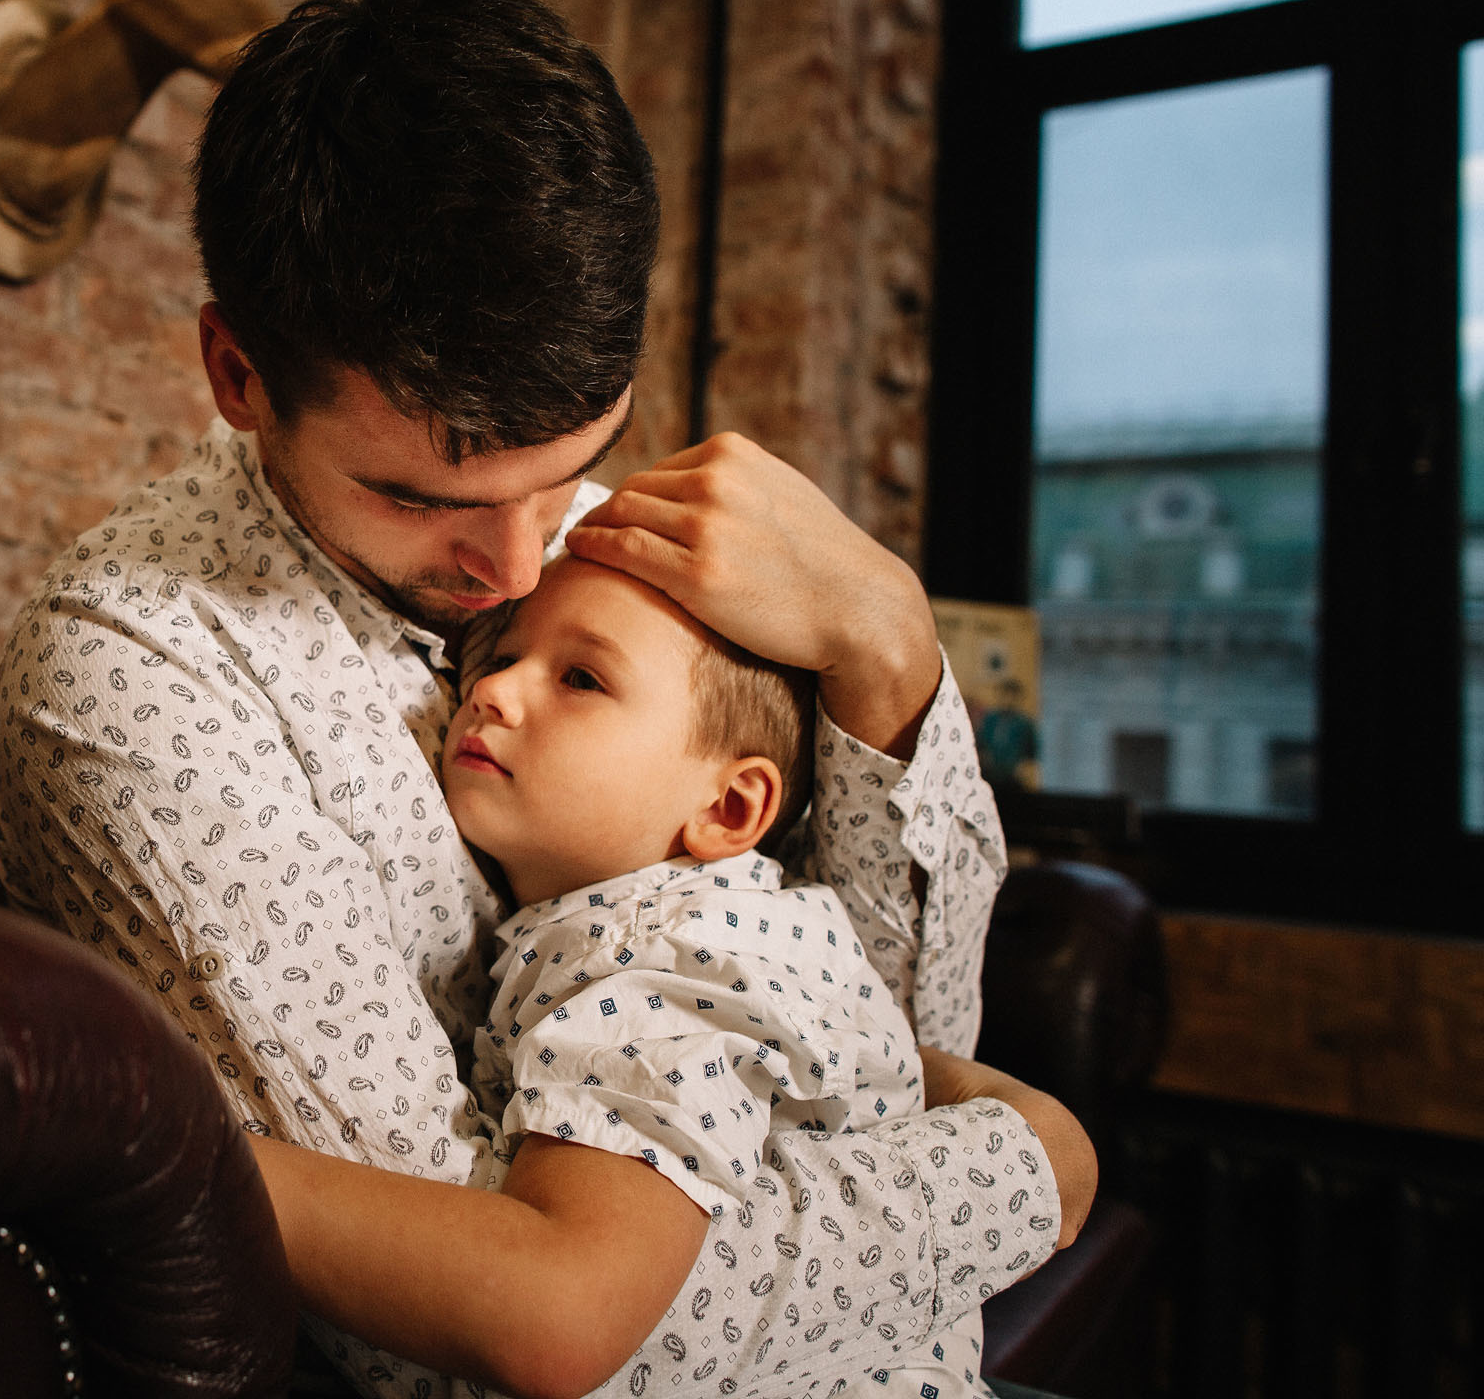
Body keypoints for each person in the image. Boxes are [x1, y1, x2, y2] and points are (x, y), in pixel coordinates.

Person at [0, 0, 1083, 1397]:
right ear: (237, 373)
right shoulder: (142, 684)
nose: (515, 567)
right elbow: (480, 1341)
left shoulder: (608, 553)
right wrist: (1019, 1178)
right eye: (421, 498)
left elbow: (853, 1051)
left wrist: (886, 639)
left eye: (567, 467)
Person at [243, 554, 1094, 1398]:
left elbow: (561, 1312)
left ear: (728, 809)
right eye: (502, 659)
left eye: (580, 678)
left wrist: (199, 1156)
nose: (492, 693)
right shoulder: (736, 924)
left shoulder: (657, 961)